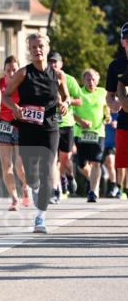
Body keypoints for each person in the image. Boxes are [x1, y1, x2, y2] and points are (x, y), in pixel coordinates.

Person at [5, 33, 69, 233]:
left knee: (48, 169)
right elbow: (6, 96)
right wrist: (14, 107)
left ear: (47, 48)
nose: (37, 50)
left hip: (50, 127)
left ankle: (40, 217)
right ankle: (33, 187)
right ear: (29, 50)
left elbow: (66, 96)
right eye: (33, 47)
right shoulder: (23, 73)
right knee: (31, 175)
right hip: (28, 128)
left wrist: (65, 103)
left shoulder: (58, 75)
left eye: (40, 46)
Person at [47, 51, 82, 202]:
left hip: (67, 122)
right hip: (51, 123)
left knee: (65, 157)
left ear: (61, 64)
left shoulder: (69, 79)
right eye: (51, 62)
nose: (53, 65)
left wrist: (66, 102)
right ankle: (55, 190)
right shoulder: (44, 78)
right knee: (52, 158)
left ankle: (68, 175)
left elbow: (79, 100)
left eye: (56, 62)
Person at [0, 55, 29, 211]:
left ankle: (25, 185)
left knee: (19, 167)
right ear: (4, 70)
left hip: (20, 126)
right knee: (6, 165)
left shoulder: (23, 84)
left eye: (14, 70)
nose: (10, 73)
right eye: (8, 70)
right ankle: (14, 198)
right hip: (3, 125)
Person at [75, 69, 107, 202]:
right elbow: (69, 112)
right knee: (81, 164)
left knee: (96, 162)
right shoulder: (78, 93)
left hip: (98, 133)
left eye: (93, 79)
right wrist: (81, 121)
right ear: (83, 81)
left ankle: (93, 191)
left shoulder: (103, 92)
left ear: (98, 81)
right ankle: (91, 179)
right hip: (80, 133)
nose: (91, 82)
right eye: (88, 79)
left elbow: (107, 108)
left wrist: (108, 117)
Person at [105, 22, 128, 199]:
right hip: (124, 119)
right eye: (127, 40)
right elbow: (110, 95)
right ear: (122, 42)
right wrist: (113, 104)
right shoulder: (115, 66)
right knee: (123, 161)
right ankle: (121, 188)